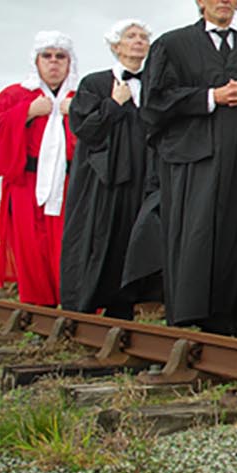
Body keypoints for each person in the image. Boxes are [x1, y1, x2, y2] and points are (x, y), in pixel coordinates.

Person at [141, 0, 237, 337]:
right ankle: (190, 317)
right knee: (196, 235)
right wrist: (211, 97)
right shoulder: (172, 45)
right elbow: (154, 102)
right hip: (194, 160)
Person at [59, 19, 160, 319]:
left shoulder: (155, 85)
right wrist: (114, 104)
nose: (138, 41)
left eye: (143, 37)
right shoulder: (94, 84)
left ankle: (126, 305)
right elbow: (85, 129)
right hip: (105, 180)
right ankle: (84, 305)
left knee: (136, 237)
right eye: (131, 36)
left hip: (145, 175)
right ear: (116, 46)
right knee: (100, 236)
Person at [0, 31, 78, 305]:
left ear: (69, 63)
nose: (54, 62)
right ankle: (38, 302)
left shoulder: (80, 95)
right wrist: (27, 112)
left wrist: (79, 113)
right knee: (31, 244)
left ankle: (72, 299)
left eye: (60, 56)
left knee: (67, 242)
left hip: (70, 181)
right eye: (47, 56)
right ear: (36, 61)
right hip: (27, 182)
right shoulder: (17, 94)